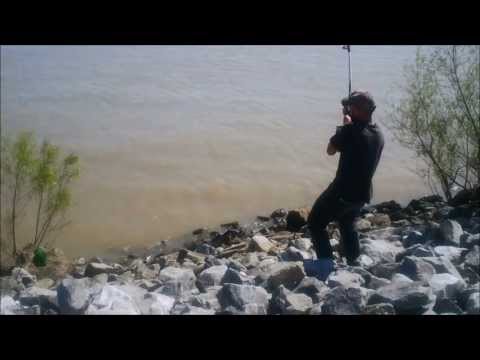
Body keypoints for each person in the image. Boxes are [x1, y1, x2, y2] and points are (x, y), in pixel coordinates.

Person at [307, 91, 384, 272]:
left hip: (342, 192)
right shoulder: (378, 133)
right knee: (347, 223)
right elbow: (360, 143)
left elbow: (330, 150)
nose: (347, 109)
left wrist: (344, 128)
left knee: (315, 222)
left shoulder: (349, 131)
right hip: (362, 194)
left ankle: (326, 266)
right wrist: (349, 127)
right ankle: (353, 262)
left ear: (356, 110)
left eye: (349, 107)